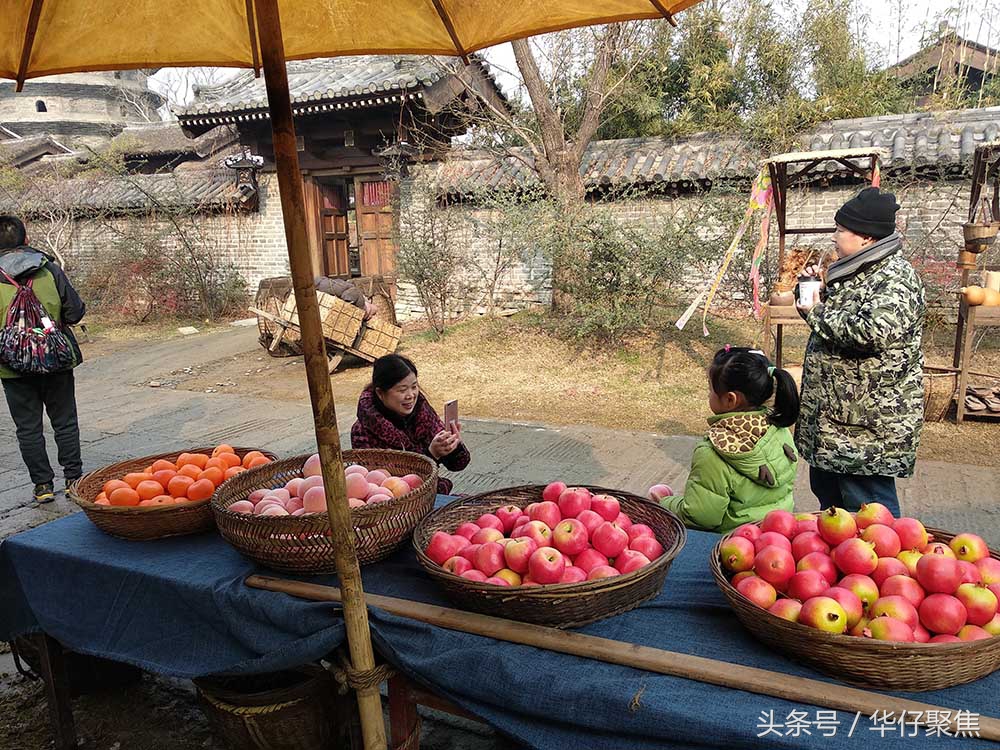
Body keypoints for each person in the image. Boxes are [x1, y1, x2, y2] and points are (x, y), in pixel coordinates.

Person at [794, 187, 925, 517]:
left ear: (866, 237)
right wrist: (810, 292)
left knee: (870, 516)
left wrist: (816, 311)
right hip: (835, 422)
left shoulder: (895, 278)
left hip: (866, 429)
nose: (834, 237)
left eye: (840, 230)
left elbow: (869, 332)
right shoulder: (858, 272)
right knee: (833, 514)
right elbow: (833, 324)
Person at [653, 346, 800, 533]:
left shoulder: (714, 452)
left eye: (710, 389)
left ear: (731, 399)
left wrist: (664, 502)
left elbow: (701, 517)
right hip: (777, 538)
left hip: (734, 546)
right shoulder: (778, 428)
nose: (708, 394)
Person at [0, 216, 86, 503]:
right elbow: (74, 312)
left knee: (27, 427)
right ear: (25, 240)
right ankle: (73, 479)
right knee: (64, 421)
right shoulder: (48, 269)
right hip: (55, 359)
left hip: (12, 367)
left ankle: (42, 486)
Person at [350, 354, 470, 494]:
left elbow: (459, 464)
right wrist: (431, 455)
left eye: (414, 387)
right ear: (380, 393)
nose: (411, 395)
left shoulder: (423, 413)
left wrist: (453, 447)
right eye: (402, 390)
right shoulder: (362, 432)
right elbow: (389, 487)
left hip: (432, 493)